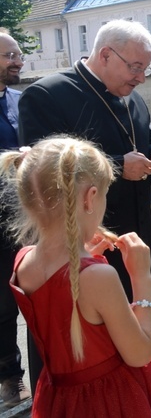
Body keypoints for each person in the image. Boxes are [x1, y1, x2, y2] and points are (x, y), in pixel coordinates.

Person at [17, 20, 151, 384]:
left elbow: (143, 146)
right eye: (135, 67)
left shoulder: (132, 98)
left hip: (135, 233)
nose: (141, 79)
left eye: (145, 69)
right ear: (105, 54)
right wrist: (120, 167)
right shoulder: (47, 96)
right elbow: (46, 179)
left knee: (146, 324)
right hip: (84, 242)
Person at [2, 137, 151, 417]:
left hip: (58, 401)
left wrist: (87, 260)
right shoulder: (98, 277)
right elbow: (140, 353)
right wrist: (142, 278)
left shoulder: (23, 260)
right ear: (90, 197)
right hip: (114, 402)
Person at [0, 30, 31, 408]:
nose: (17, 61)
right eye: (9, 55)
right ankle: (10, 378)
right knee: (3, 305)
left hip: (29, 214)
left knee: (43, 291)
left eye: (18, 54)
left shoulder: (24, 102)